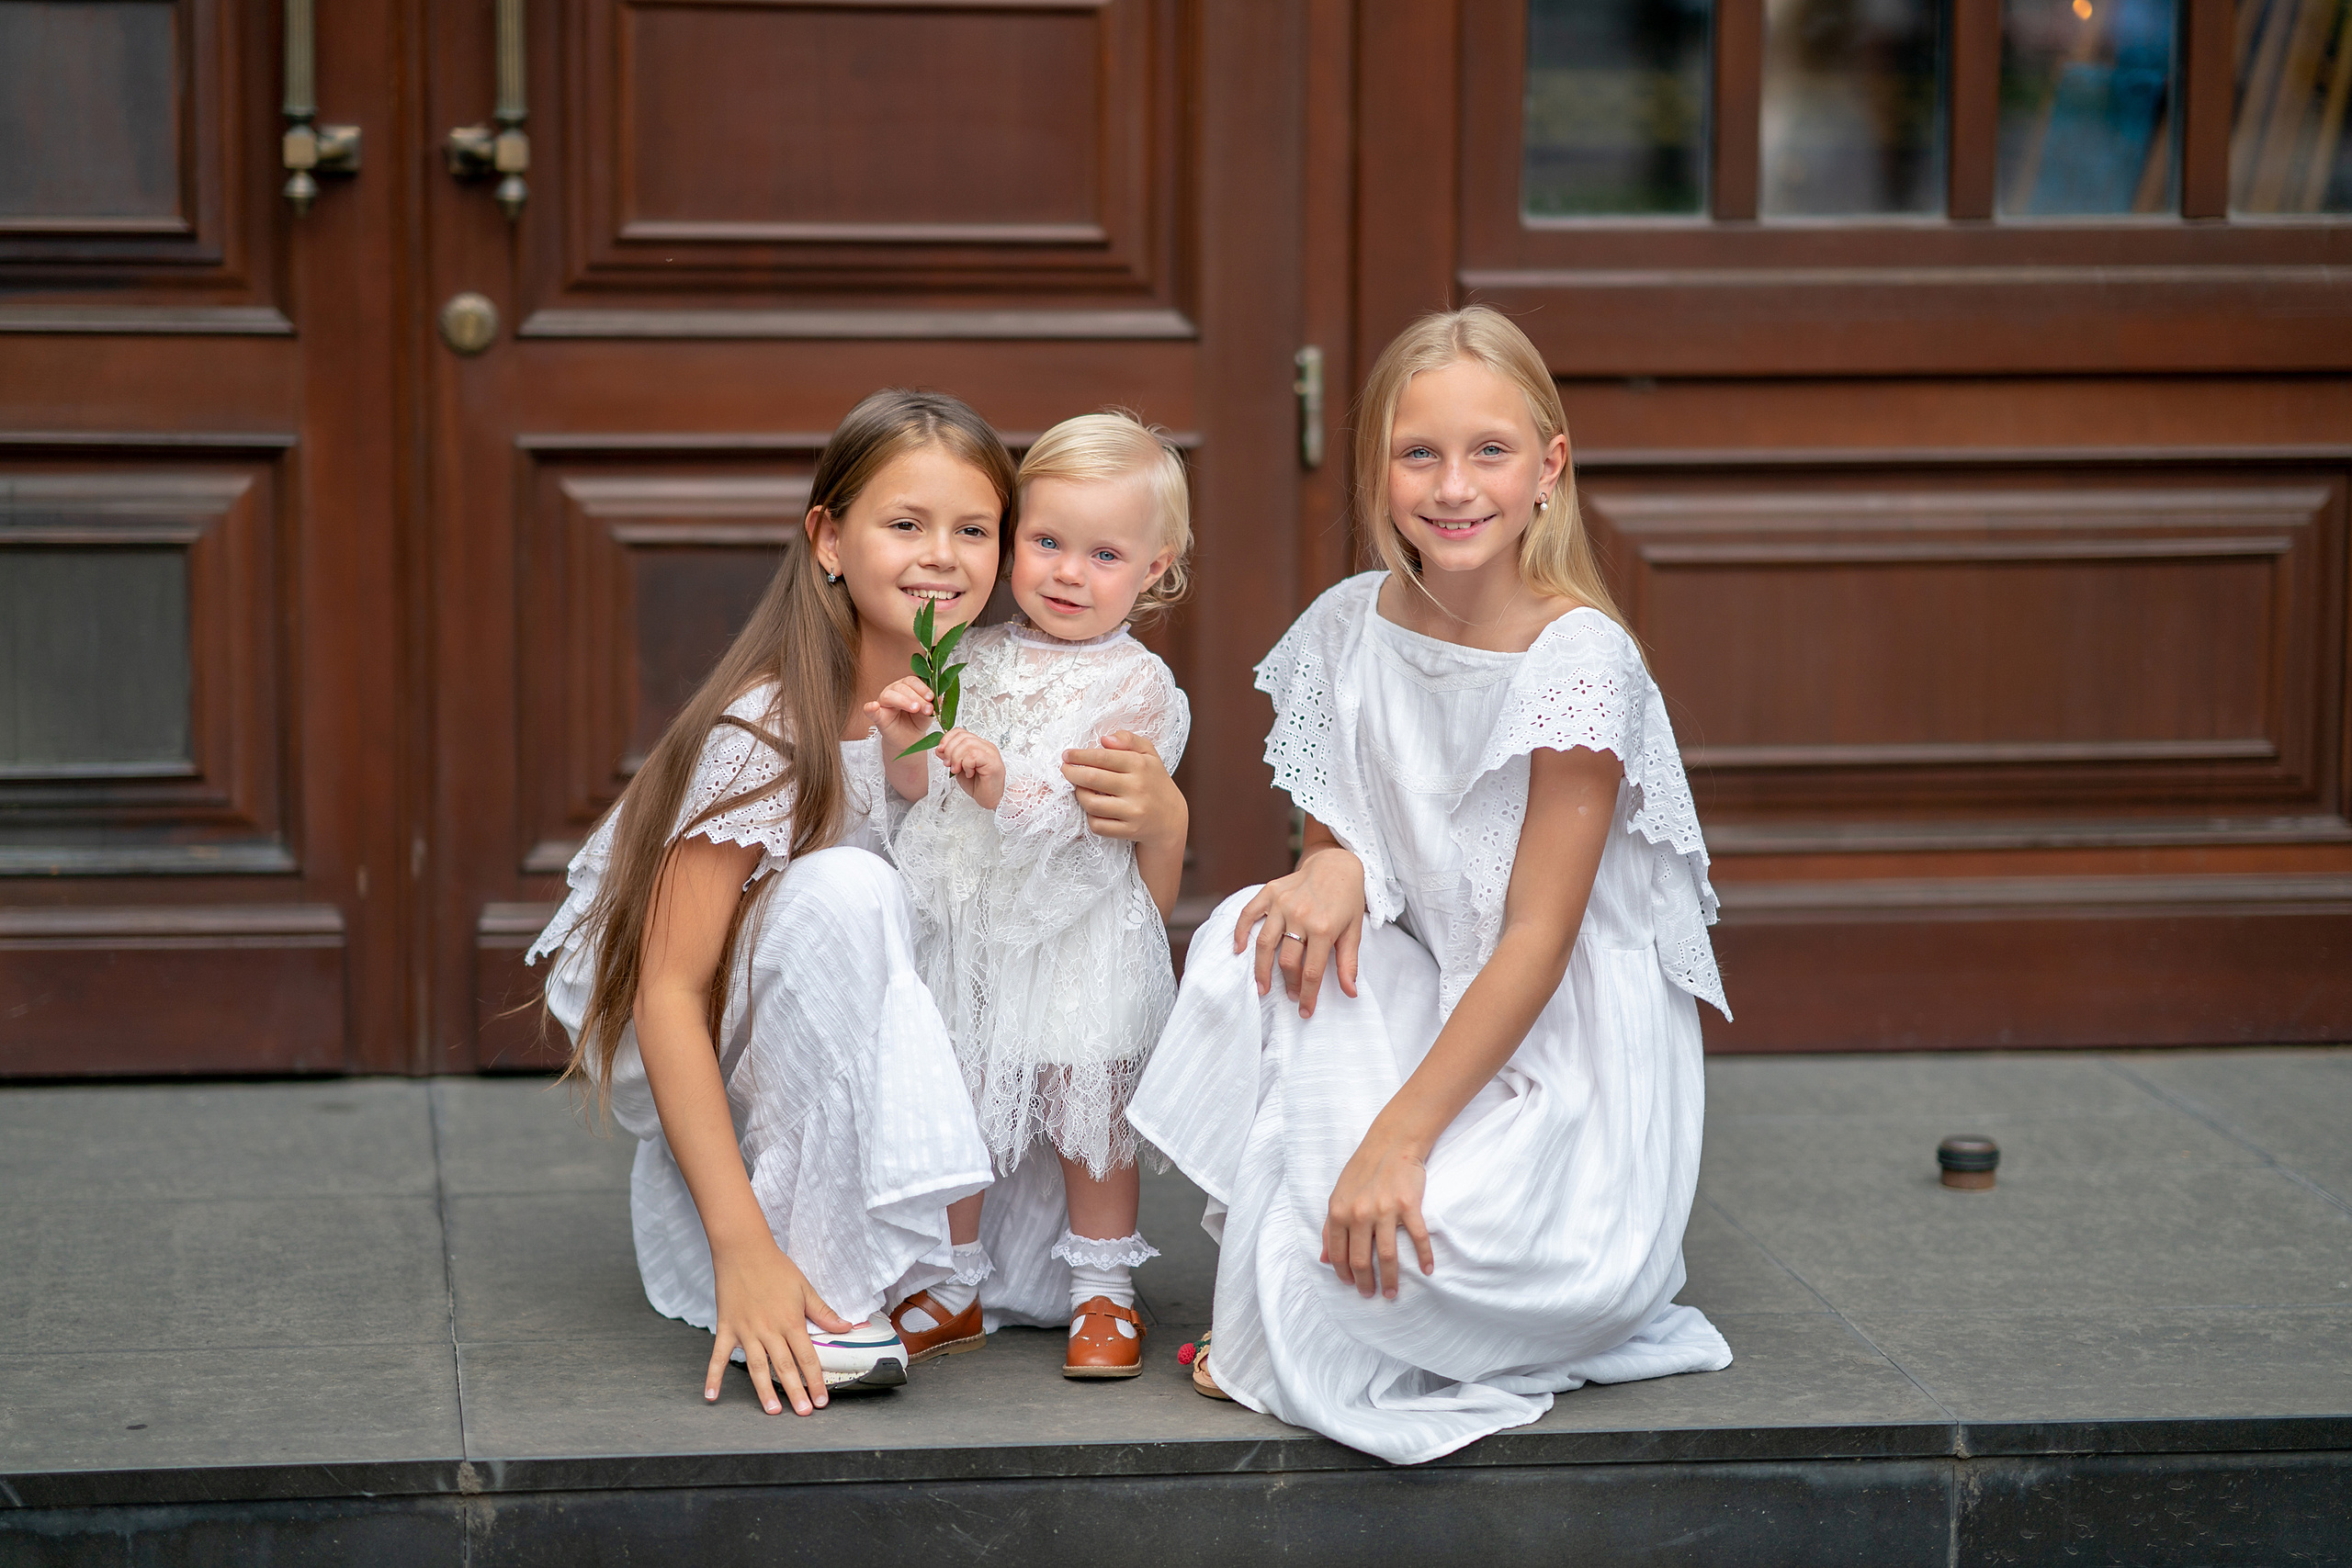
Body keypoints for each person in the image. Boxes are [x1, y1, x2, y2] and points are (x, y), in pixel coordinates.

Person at [1126, 307, 1735, 1465]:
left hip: (1560, 1066)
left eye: (1490, 452)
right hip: (1431, 1000)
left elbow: (1536, 940)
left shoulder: (1580, 660)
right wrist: (1331, 866)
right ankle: (1309, 1251)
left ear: (1549, 467)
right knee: (1249, 943)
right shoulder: (1346, 631)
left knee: (1383, 1248)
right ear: (1378, 470)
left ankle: (1334, 1266)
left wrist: (1397, 1141)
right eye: (1419, 454)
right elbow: (1341, 835)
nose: (1454, 488)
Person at [526, 389, 1186, 1420]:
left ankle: (952, 1263)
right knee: (849, 883)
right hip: (764, 1097)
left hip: (960, 1057)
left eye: (974, 529)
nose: (941, 557)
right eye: (904, 524)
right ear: (828, 539)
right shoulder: (766, 727)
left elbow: (1103, 926)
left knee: (1040, 1276)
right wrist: (741, 1249)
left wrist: (1166, 824)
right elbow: (665, 993)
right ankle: (815, 1262)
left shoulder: (1004, 694)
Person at [877, 412, 1193, 1380]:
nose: (1065, 572)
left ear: (1155, 568)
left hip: (1079, 933)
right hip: (975, 932)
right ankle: (953, 1277)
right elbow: (911, 792)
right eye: (1046, 542)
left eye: (1103, 553)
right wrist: (907, 737)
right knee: (961, 1098)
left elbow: (1077, 807)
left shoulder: (1139, 685)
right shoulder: (966, 654)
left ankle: (1104, 1290)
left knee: (1085, 1102)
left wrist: (992, 778)